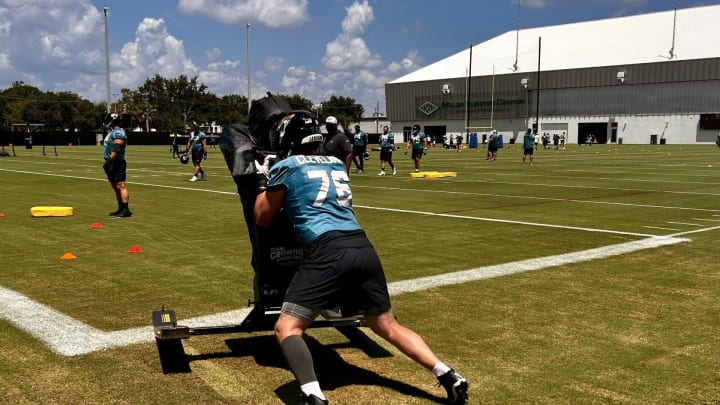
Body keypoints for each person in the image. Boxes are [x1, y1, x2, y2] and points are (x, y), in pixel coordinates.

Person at [254, 111, 469, 405]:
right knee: (386, 324)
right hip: (362, 245)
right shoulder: (335, 163)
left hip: (327, 249)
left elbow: (263, 218)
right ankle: (446, 373)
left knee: (287, 327)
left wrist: (262, 181)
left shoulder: (287, 165)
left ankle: (312, 395)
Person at [103, 114, 132, 218]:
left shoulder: (118, 132)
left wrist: (109, 161)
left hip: (117, 162)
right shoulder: (112, 132)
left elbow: (117, 148)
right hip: (112, 162)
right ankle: (120, 208)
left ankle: (125, 210)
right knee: (115, 187)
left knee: (120, 185)